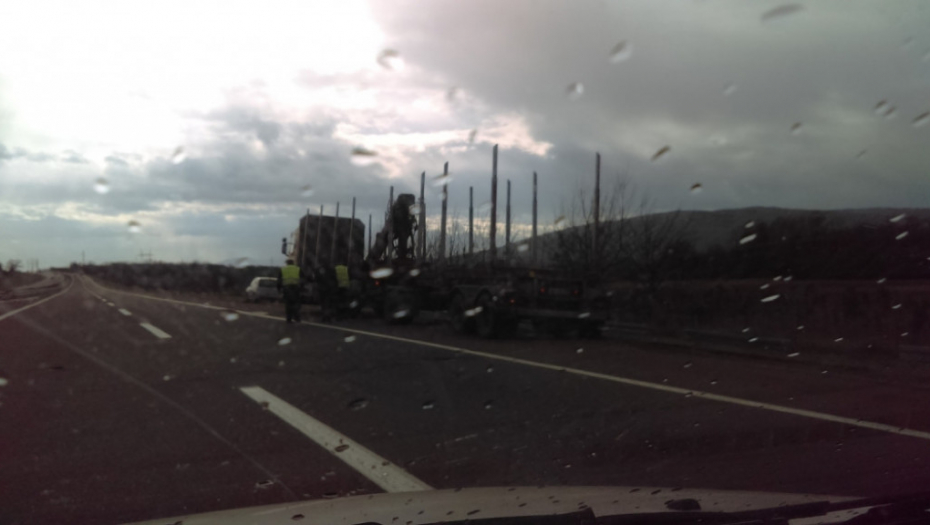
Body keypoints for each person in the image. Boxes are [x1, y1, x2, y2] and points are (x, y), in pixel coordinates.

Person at [277, 258, 302, 323]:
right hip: (296, 288)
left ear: (287, 263)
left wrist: (279, 289)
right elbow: (303, 278)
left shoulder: (283, 269)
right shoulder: (298, 269)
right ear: (293, 263)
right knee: (296, 303)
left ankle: (289, 318)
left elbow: (279, 280)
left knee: (288, 304)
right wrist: (301, 287)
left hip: (287, 288)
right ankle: (297, 317)